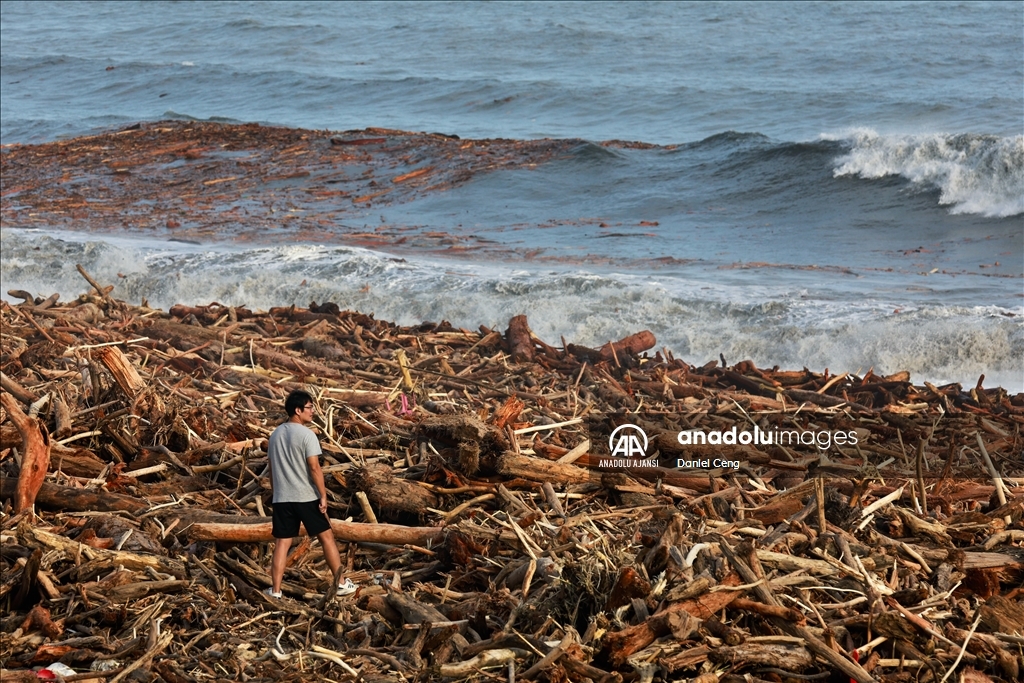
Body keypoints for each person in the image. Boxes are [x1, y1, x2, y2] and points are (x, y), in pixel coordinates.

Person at [265, 390, 356, 598]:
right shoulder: (307, 435)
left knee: (282, 543)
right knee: (327, 538)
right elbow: (314, 468)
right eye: (309, 407)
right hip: (306, 496)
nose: (313, 411)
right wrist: (323, 495)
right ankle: (341, 583)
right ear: (298, 410)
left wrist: (276, 492)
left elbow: (271, 469)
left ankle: (276, 591)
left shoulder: (275, 435)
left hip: (282, 498)